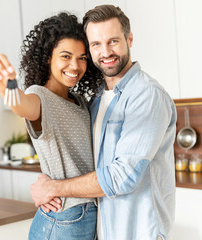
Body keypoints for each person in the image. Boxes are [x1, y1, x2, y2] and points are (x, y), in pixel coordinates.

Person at [30, 5, 177, 240]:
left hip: (138, 233)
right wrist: (46, 182)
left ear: (129, 39)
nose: (105, 52)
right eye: (96, 44)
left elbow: (122, 177)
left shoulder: (147, 95)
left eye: (113, 41)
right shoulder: (96, 99)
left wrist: (54, 188)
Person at [0, 12, 102, 239]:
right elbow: (22, 105)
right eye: (65, 56)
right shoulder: (39, 96)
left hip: (87, 212)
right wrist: (6, 88)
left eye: (82, 57)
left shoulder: (79, 101)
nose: (75, 66)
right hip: (64, 216)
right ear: (48, 57)